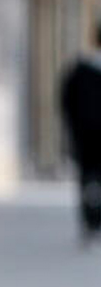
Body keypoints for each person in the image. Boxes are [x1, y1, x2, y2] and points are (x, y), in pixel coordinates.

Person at [61, 22, 101, 246]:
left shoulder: (80, 69)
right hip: (88, 135)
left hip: (85, 136)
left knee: (86, 177)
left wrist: (74, 127)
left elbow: (66, 101)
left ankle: (89, 220)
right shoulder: (82, 70)